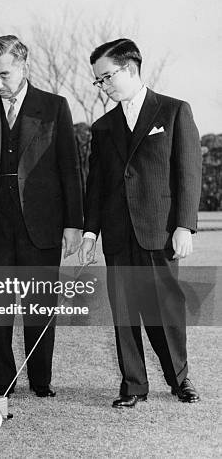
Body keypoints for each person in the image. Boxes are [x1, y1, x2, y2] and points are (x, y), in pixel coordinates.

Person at [79, 38, 202, 408]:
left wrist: (184, 225)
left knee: (165, 309)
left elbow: (189, 172)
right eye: (98, 80)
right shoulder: (101, 127)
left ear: (130, 68)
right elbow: (96, 185)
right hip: (117, 234)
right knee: (125, 313)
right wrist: (90, 232)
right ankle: (133, 386)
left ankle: (179, 379)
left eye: (106, 77)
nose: (102, 85)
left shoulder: (175, 111)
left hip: (159, 230)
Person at [0, 35, 83, 397]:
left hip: (43, 224)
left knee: (40, 305)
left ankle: (41, 381)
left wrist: (74, 223)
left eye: (4, 74)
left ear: (24, 66)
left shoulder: (55, 106)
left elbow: (70, 168)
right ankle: (2, 380)